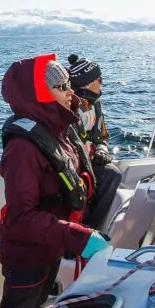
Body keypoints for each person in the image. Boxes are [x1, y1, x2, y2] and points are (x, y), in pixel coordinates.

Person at [0, 54, 110, 308]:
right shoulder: (22, 150)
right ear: (37, 94)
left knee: (35, 306)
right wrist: (78, 237)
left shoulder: (57, 129)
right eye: (61, 85)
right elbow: (20, 218)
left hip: (49, 245)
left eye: (68, 83)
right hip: (28, 254)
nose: (70, 92)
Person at [65, 54, 123, 230]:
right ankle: (84, 231)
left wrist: (102, 150)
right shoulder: (70, 106)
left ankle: (90, 228)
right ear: (88, 82)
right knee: (109, 176)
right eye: (100, 79)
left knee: (111, 174)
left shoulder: (95, 104)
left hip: (90, 159)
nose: (102, 82)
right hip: (73, 163)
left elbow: (101, 136)